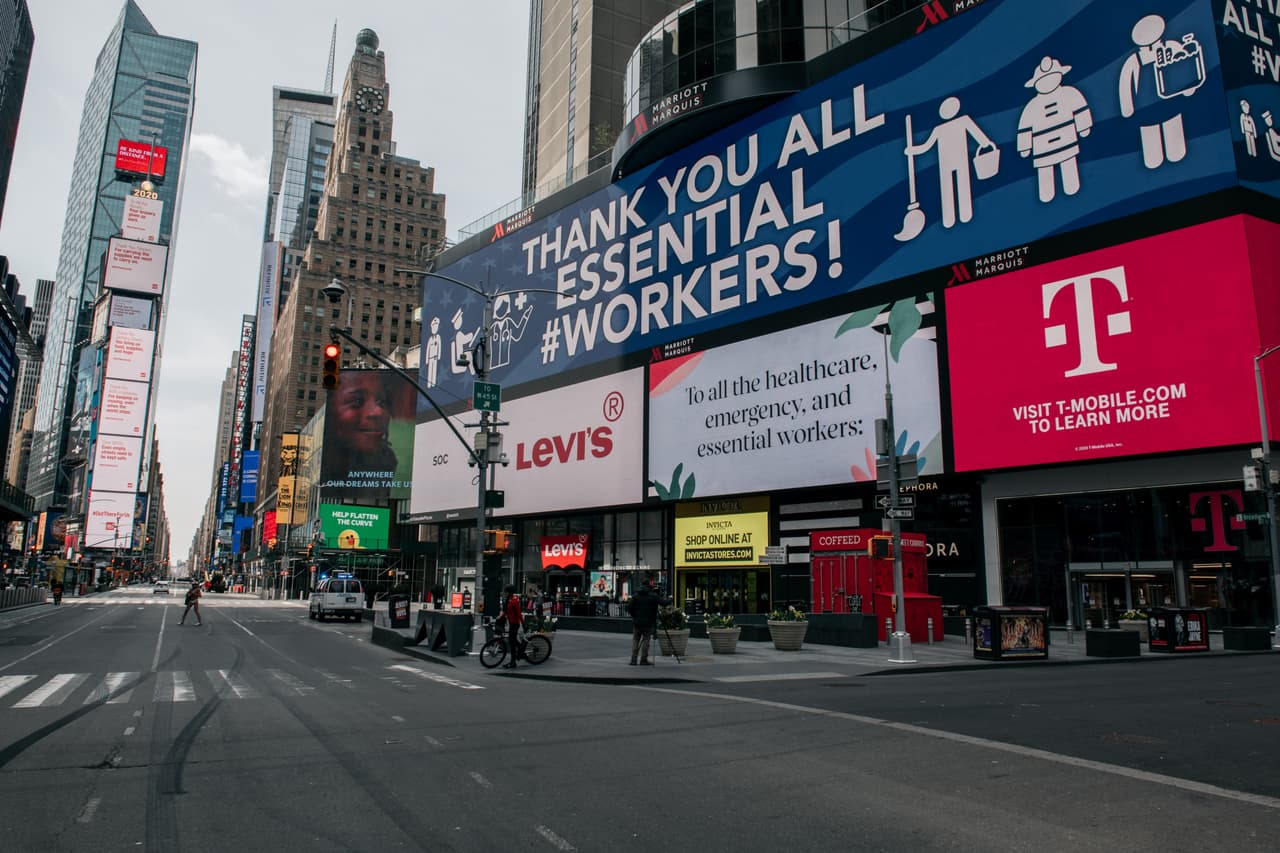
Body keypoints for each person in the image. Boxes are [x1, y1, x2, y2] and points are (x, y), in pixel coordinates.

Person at [320, 371, 399, 492]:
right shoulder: (323, 462)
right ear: (330, 412)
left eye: (383, 402)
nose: (378, 412)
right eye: (357, 401)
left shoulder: (387, 460)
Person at [627, 578, 660, 666]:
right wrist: (670, 599)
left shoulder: (636, 595)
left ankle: (633, 659)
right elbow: (663, 602)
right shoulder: (653, 595)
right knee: (646, 640)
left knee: (635, 640)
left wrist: (634, 616)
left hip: (637, 622)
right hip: (648, 622)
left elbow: (629, 608)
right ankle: (643, 659)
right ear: (649, 585)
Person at [502, 584, 523, 669]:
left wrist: (523, 623)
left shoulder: (514, 601)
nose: (504, 593)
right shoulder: (509, 600)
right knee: (513, 641)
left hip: (515, 624)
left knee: (512, 643)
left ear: (510, 592)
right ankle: (520, 650)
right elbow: (506, 612)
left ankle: (513, 662)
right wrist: (499, 618)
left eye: (506, 592)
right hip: (511, 623)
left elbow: (519, 614)